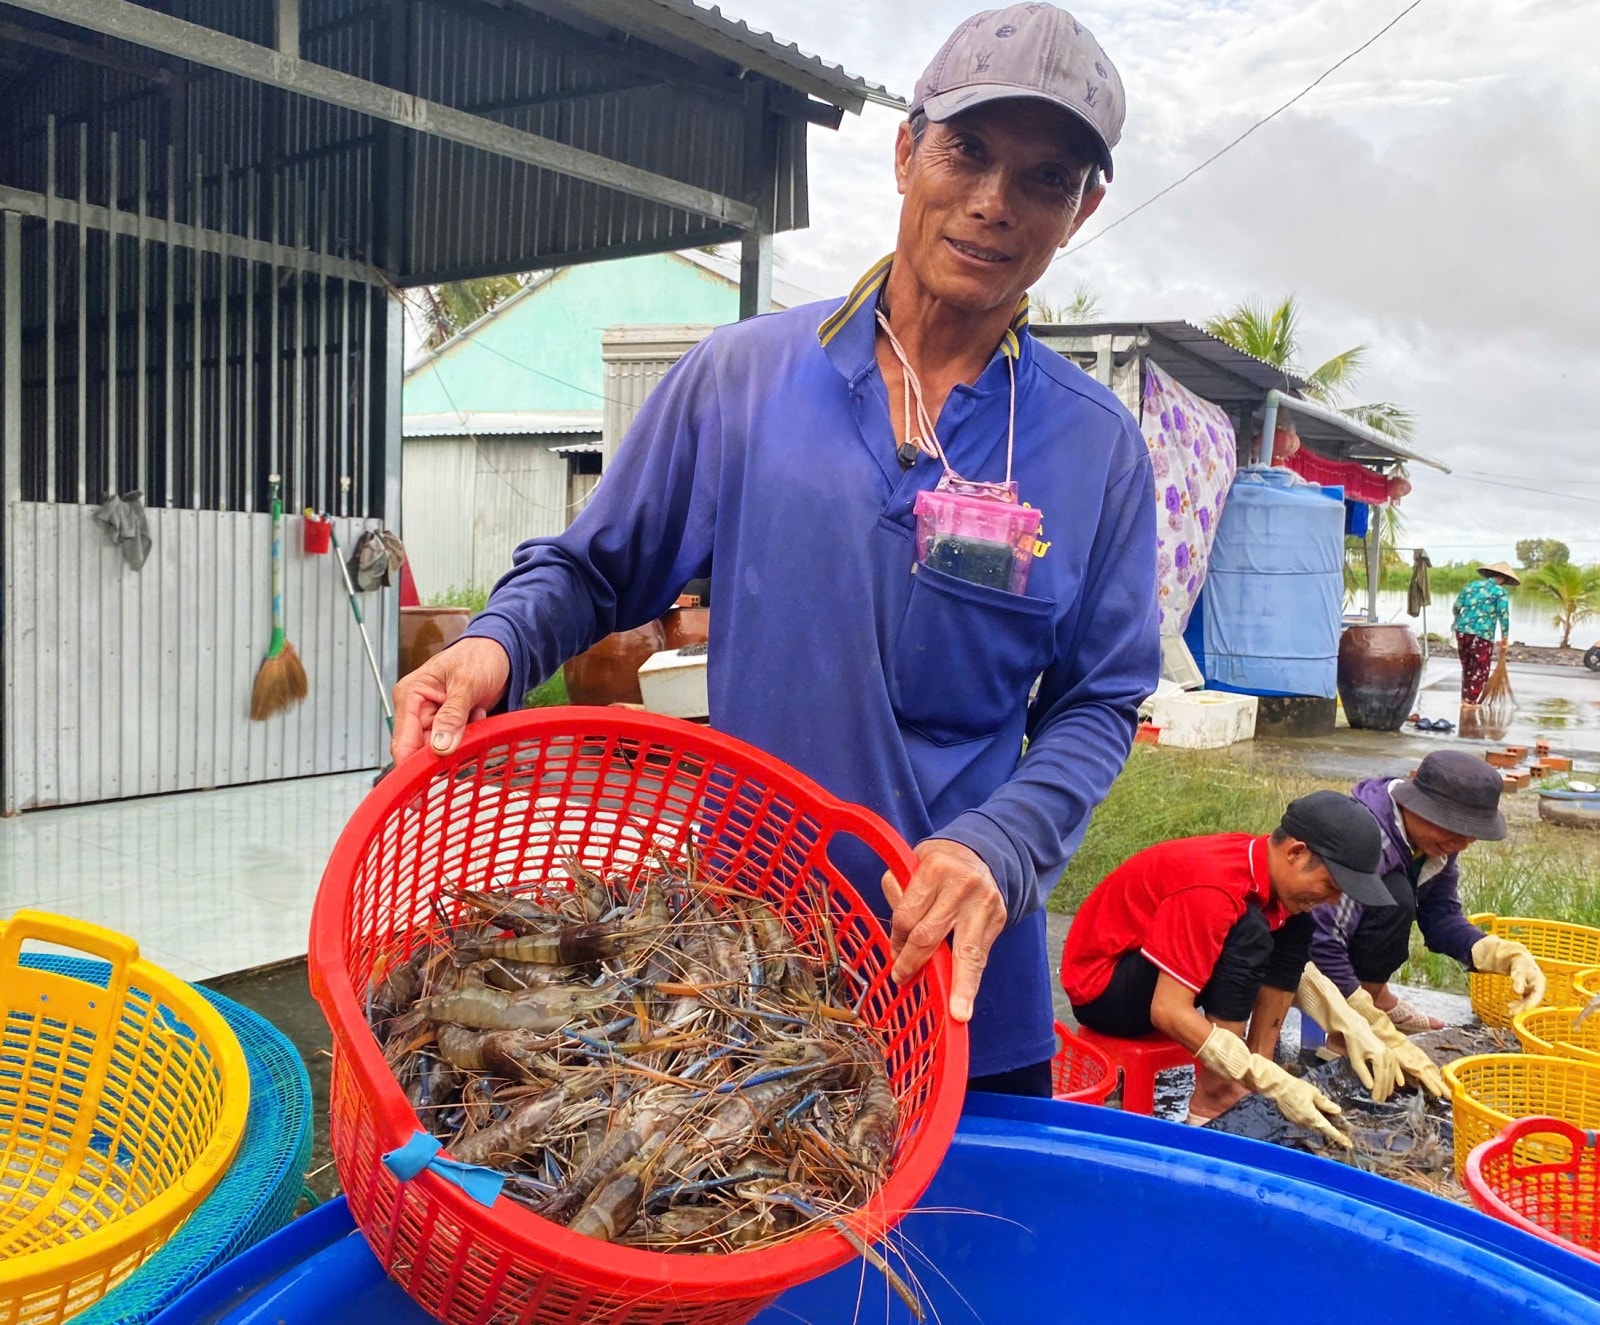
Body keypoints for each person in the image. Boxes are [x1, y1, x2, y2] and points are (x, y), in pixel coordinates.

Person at [390, 5, 1159, 1097]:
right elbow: (594, 566)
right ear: (906, 151)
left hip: (956, 987)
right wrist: (492, 645)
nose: (992, 203)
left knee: (960, 1260)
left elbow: (1099, 698)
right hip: (743, 961)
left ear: (1080, 210)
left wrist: (1003, 844)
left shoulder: (1094, 448)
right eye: (967, 151)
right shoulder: (742, 379)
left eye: (1044, 178)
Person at [1062, 792, 1402, 1146]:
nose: (1333, 901)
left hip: (1149, 973)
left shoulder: (1260, 868)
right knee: (1249, 930)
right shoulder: (1215, 886)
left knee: (1296, 923)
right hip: (1102, 989)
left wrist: (1356, 1023)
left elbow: (1291, 967)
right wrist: (1269, 1080)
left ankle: (1258, 1058)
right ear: (1296, 852)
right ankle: (1218, 1091)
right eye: (1331, 886)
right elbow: (1168, 1010)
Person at [1310, 750, 1546, 1059]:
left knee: (1396, 896)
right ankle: (1345, 1035)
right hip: (1292, 947)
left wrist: (1500, 953)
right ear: (1414, 805)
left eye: (1471, 834)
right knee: (1392, 897)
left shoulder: (1436, 842)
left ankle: (1375, 997)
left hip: (1331, 947)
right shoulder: (1367, 838)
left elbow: (1439, 916)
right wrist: (1357, 1016)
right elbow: (1322, 939)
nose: (1462, 844)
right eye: (1453, 828)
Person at [1453, 562, 1518, 706]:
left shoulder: (1472, 586)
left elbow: (1457, 607)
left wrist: (1459, 621)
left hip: (1462, 632)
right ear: (1502, 578)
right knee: (1480, 669)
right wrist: (1505, 637)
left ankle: (1465, 698)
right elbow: (1503, 616)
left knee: (1467, 667)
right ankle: (1469, 701)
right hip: (1482, 634)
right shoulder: (1500, 592)